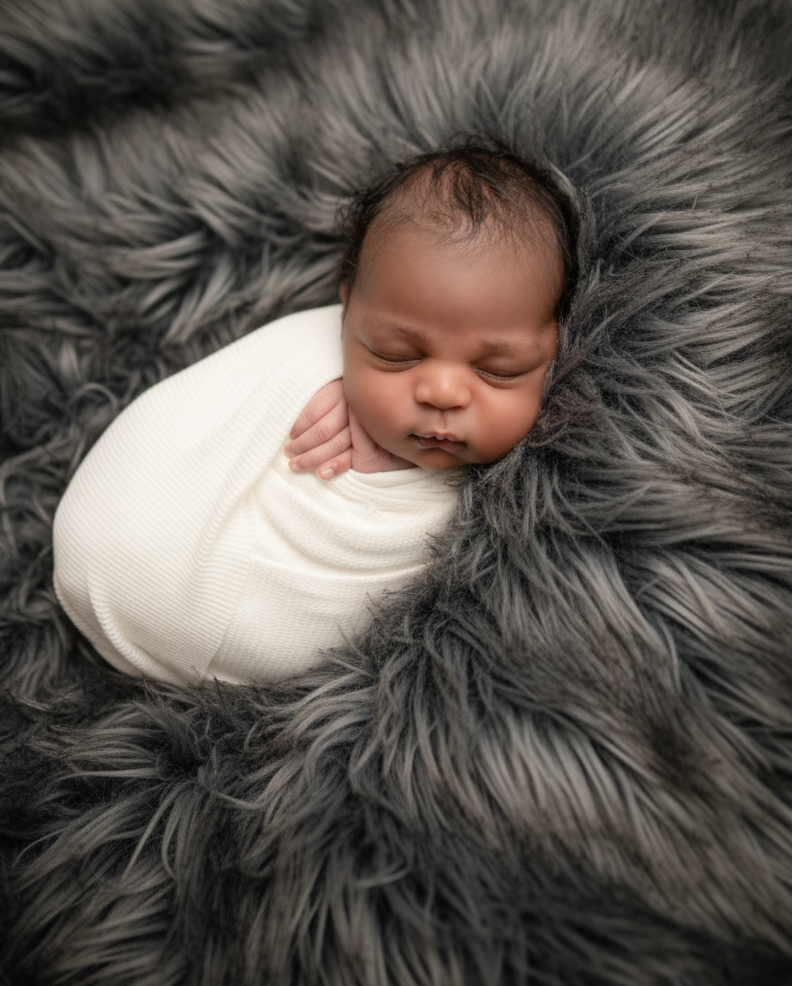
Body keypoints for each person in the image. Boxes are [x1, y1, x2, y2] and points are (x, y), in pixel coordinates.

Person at [52, 137, 578, 686]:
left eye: (498, 370)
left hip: (213, 617)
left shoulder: (533, 495)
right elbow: (188, 419)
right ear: (347, 309)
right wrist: (313, 381)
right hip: (131, 542)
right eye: (396, 355)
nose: (442, 391)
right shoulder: (311, 354)